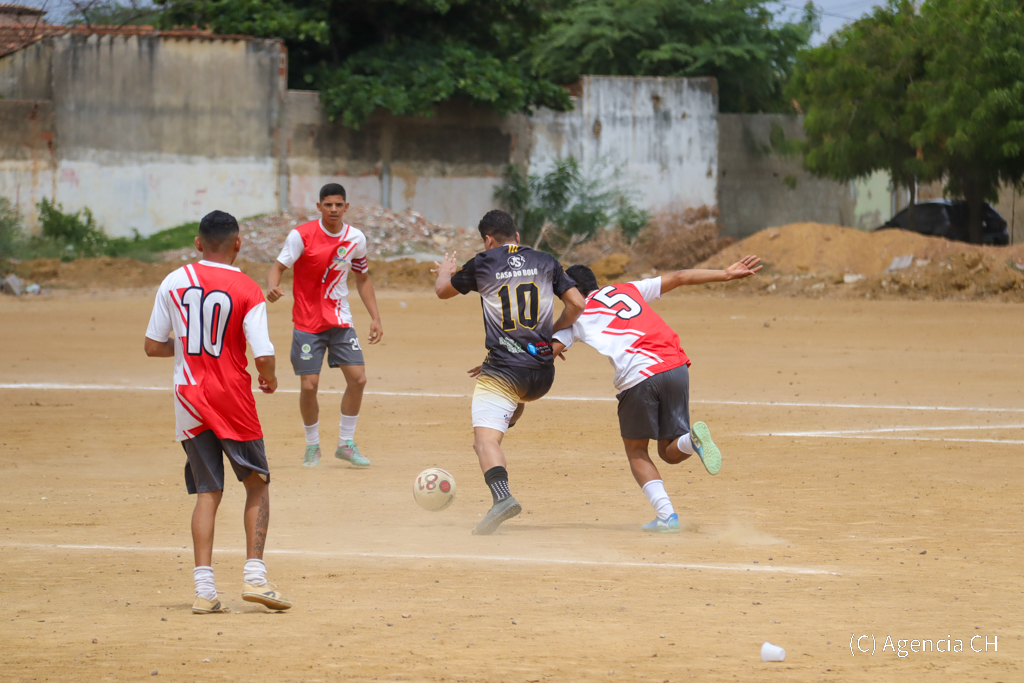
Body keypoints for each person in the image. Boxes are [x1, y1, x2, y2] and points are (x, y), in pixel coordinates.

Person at [144, 210, 292, 614]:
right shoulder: (246, 288)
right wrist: (270, 378)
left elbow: (153, 346)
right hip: (232, 400)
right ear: (238, 244)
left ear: (198, 243)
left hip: (189, 400)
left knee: (207, 493)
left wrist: (188, 344)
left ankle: (204, 592)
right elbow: (263, 354)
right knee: (257, 484)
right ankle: (255, 578)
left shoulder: (174, 281)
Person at [551, 256, 762, 532]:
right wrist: (725, 274)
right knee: (669, 453)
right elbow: (680, 276)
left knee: (637, 450)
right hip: (676, 367)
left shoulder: (576, 317)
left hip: (639, 378)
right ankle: (692, 441)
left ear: (572, 292)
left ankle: (666, 516)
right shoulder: (628, 289)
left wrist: (542, 344)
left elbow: (544, 355)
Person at [433, 210, 585, 535]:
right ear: (516, 236)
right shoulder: (546, 261)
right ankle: (505, 417)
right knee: (509, 404)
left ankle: (502, 498)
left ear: (488, 240)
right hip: (542, 374)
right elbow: (577, 304)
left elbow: (443, 291)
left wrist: (445, 272)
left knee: (484, 441)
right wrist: (548, 336)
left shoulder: (483, 262)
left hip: (505, 372)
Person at [266, 183, 383, 468]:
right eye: (328, 204)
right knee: (309, 386)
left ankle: (345, 444)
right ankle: (312, 446)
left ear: (346, 207)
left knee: (358, 379)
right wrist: (272, 286)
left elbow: (362, 278)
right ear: (319, 207)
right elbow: (278, 267)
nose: (333, 209)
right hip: (307, 323)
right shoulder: (301, 235)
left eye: (338, 205)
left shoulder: (356, 238)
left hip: (340, 320)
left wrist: (375, 317)